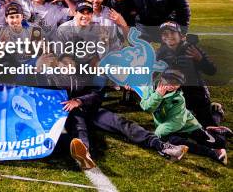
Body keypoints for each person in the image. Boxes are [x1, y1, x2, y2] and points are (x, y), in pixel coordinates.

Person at [35, 55, 189, 170]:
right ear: (58, 65)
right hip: (70, 113)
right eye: (64, 64)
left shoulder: (84, 76)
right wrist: (39, 67)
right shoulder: (50, 79)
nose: (68, 67)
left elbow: (96, 94)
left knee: (122, 123)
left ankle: (162, 146)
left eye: (71, 64)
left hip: (91, 110)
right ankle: (84, 155)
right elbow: (35, 87)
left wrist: (79, 101)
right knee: (79, 129)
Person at [139, 69, 227, 164]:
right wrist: (158, 95)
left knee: (219, 143)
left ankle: (216, 117)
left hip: (188, 125)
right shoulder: (150, 88)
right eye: (169, 80)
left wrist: (157, 134)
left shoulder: (178, 99)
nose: (172, 85)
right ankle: (212, 152)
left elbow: (177, 122)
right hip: (169, 127)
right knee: (173, 141)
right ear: (162, 78)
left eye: (176, 83)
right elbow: (146, 107)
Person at [157, 21, 224, 128]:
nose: (169, 36)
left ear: (181, 36)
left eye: (172, 33)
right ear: (161, 37)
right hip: (175, 95)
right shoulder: (160, 53)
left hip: (196, 93)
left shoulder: (191, 49)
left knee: (209, 128)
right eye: (165, 33)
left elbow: (212, 71)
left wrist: (200, 59)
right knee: (178, 127)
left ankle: (216, 112)